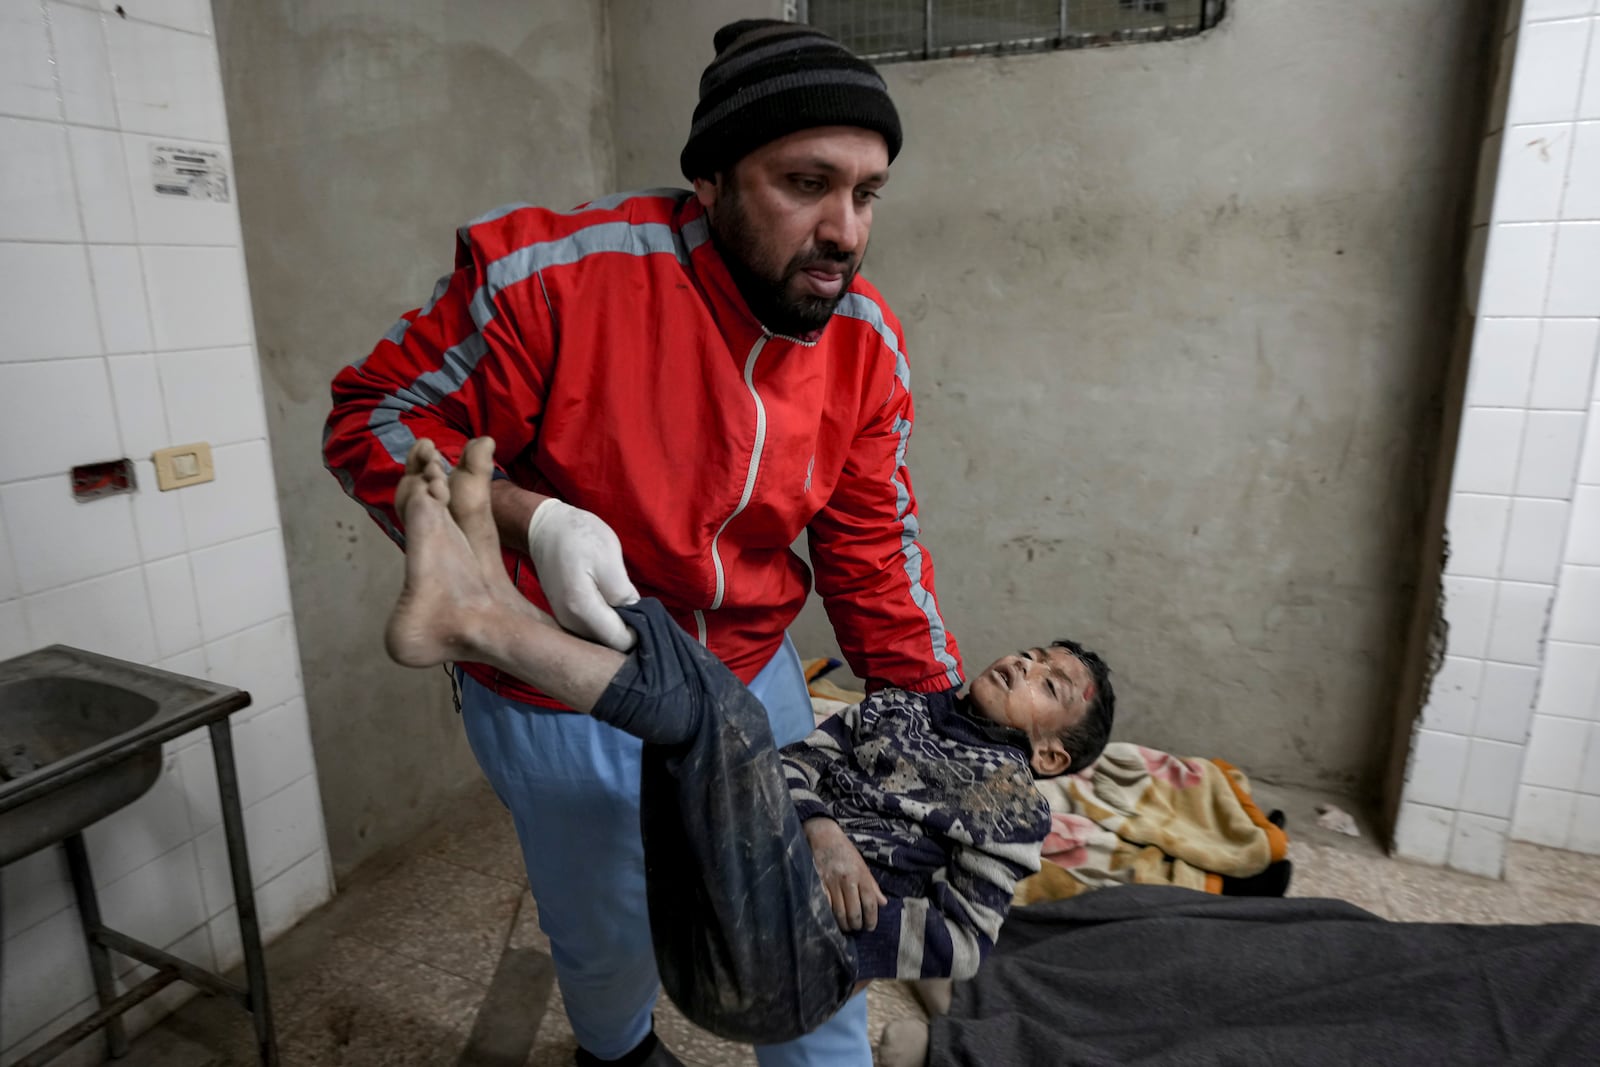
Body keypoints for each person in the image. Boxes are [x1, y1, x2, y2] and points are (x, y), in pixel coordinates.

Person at [324, 18, 969, 1066]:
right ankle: (615, 1049)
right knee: (610, 915)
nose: (845, 230)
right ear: (710, 180)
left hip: (752, 668)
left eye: (866, 192)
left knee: (811, 917)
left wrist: (937, 743)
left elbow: (875, 554)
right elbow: (374, 419)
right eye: (805, 183)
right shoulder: (551, 279)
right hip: (564, 679)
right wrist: (535, 516)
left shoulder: (860, 342)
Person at [382, 436, 1116, 1045]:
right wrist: (822, 828)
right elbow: (795, 767)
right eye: (1036, 654)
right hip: (719, 911)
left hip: (793, 964)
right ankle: (502, 604)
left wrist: (849, 931)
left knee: (729, 716)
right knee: (697, 688)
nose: (1027, 664)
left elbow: (962, 942)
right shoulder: (901, 711)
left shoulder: (1010, 805)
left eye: (1049, 685)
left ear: (1051, 754)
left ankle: (478, 623)